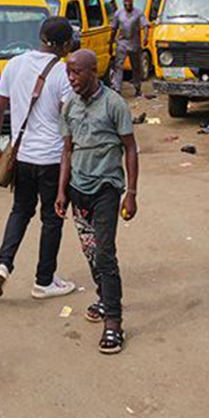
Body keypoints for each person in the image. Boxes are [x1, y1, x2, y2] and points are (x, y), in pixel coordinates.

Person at [0, 17, 76, 300]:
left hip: (21, 157)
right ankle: (44, 281)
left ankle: (3, 264)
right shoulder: (63, 73)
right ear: (64, 45)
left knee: (20, 211)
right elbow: (68, 118)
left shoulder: (15, 64)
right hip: (52, 159)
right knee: (52, 218)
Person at [55, 49, 139, 354]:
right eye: (68, 73)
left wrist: (131, 192)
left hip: (107, 188)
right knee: (91, 253)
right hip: (79, 190)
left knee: (105, 254)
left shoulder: (114, 104)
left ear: (93, 71)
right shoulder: (69, 107)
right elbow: (67, 151)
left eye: (76, 73)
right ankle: (105, 298)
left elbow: (130, 149)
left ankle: (114, 323)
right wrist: (62, 191)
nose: (72, 79)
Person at [108, 0, 149, 98]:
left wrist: (145, 37)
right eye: (125, 2)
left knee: (136, 67)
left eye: (129, 2)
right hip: (122, 43)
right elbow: (114, 29)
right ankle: (117, 88)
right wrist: (111, 42)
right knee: (119, 66)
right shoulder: (119, 13)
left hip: (134, 44)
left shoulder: (138, 13)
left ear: (132, 2)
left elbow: (145, 25)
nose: (127, 4)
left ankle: (137, 88)